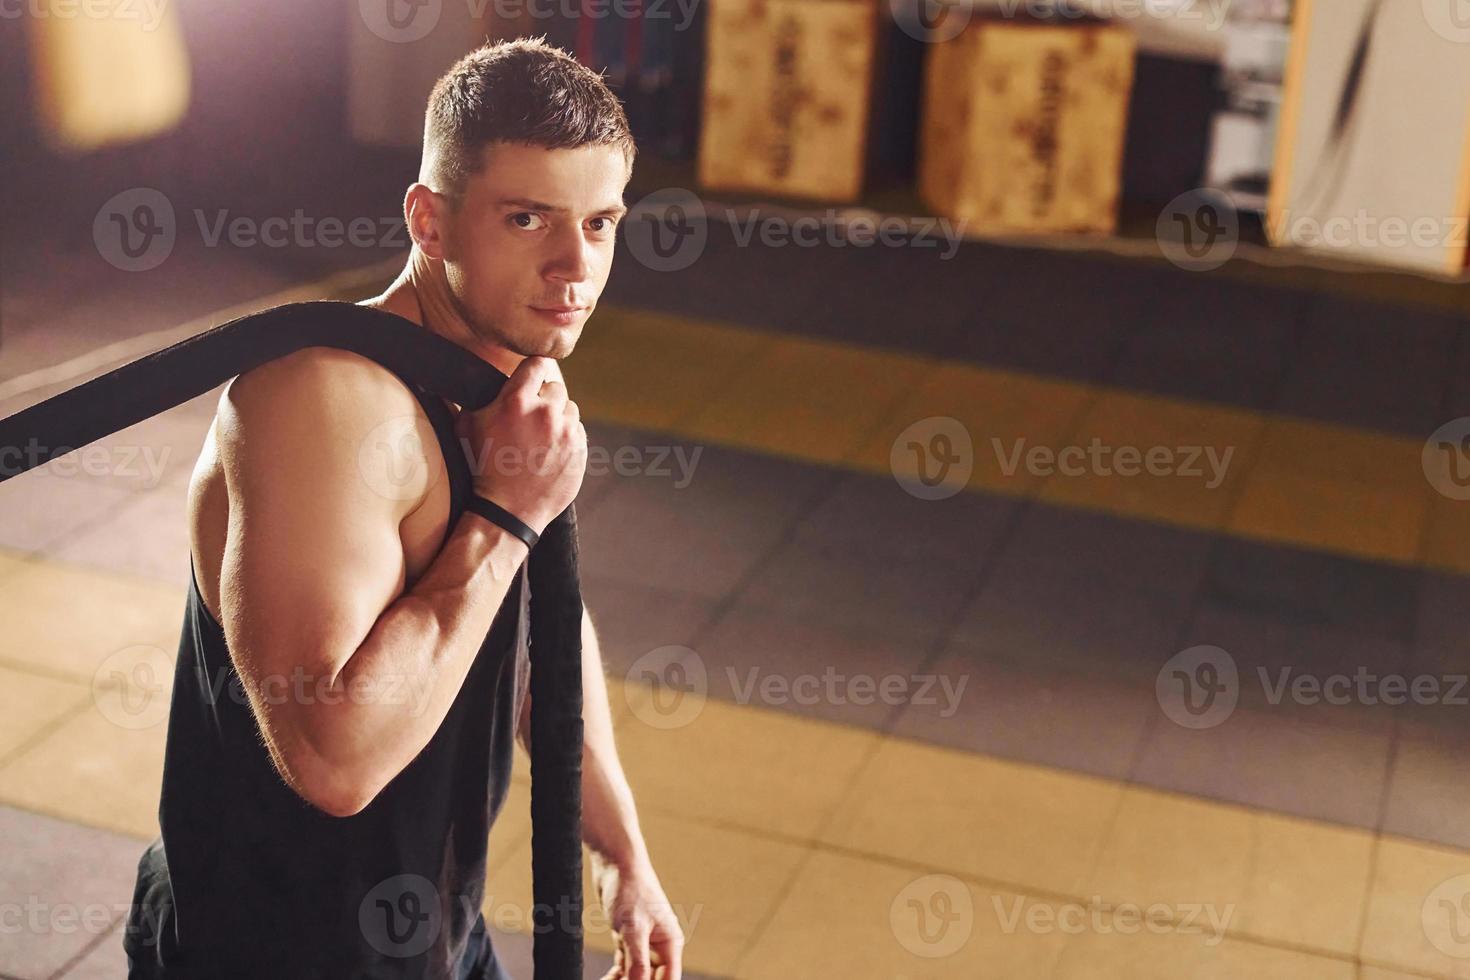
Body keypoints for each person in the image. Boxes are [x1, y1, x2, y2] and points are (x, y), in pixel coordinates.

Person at [123, 36, 683, 980]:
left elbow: (544, 618)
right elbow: (331, 756)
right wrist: (506, 517)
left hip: (434, 946)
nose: (572, 268)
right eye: (526, 219)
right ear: (429, 222)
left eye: (599, 224)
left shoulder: (505, 388)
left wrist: (622, 852)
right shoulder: (324, 401)